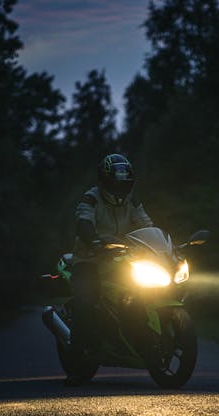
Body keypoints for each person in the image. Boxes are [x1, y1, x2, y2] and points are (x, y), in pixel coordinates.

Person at [67, 153, 153, 386]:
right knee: (85, 306)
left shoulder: (132, 201)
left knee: (139, 294)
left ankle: (139, 340)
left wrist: (161, 245)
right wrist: (93, 241)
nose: (120, 188)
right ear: (104, 181)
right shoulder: (91, 199)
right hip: (89, 260)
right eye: (116, 183)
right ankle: (76, 365)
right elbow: (83, 222)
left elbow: (147, 225)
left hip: (121, 260)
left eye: (124, 184)